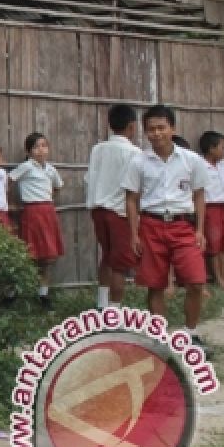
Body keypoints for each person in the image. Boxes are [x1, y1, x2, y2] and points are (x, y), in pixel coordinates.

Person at [123, 104, 209, 345]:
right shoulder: (138, 162)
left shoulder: (192, 161)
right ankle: (160, 337)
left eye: (161, 128)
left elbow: (200, 195)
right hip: (150, 225)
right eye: (151, 129)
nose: (156, 133)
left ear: (173, 128)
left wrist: (200, 230)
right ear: (144, 131)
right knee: (155, 284)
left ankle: (191, 333)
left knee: (196, 281)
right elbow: (131, 199)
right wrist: (133, 234)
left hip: (183, 226)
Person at [84, 103, 142, 308]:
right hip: (120, 213)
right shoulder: (135, 153)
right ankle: (114, 311)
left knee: (107, 256)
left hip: (98, 210)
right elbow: (136, 188)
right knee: (119, 265)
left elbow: (89, 178)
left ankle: (101, 303)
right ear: (132, 126)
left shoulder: (98, 149)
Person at [10, 133, 65, 308]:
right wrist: (9, 202)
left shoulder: (50, 169)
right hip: (31, 212)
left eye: (44, 145)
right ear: (28, 151)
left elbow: (57, 186)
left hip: (47, 211)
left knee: (47, 256)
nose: (41, 150)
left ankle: (43, 294)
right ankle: (13, 293)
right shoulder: (26, 167)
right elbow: (8, 181)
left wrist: (47, 198)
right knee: (27, 254)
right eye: (36, 146)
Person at [199, 131, 224, 291]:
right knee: (214, 245)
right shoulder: (200, 165)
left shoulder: (223, 165)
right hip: (210, 208)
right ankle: (218, 278)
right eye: (221, 147)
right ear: (211, 149)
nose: (223, 150)